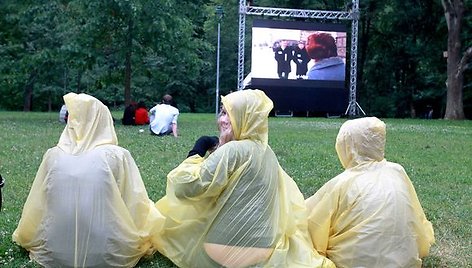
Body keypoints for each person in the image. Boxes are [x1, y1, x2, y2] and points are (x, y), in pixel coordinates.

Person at [155, 89, 334, 268]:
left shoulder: (232, 151)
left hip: (222, 251)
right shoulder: (265, 150)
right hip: (265, 248)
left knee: (170, 228)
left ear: (245, 118)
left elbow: (186, 187)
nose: (222, 120)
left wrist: (198, 150)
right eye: (223, 112)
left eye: (230, 114)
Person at [12, 93, 164, 267]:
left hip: (54, 249)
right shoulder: (116, 156)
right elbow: (134, 202)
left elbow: (38, 204)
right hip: (108, 252)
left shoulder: (53, 155)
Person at [305, 117, 435, 268]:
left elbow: (313, 222)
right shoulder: (397, 171)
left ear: (348, 147)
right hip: (405, 261)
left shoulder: (343, 183)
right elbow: (415, 215)